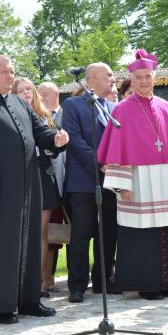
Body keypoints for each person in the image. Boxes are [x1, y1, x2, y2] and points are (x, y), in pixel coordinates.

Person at [0, 54, 68, 324]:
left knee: (30, 242)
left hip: (28, 186)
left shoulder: (20, 102)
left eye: (12, 72)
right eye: (5, 72)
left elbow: (39, 132)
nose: (11, 76)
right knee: (1, 246)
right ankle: (2, 304)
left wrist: (56, 138)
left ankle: (29, 300)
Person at [98, 49, 168, 300]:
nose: (143, 81)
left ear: (154, 77)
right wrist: (121, 185)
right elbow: (116, 150)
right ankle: (148, 285)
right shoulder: (122, 110)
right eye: (138, 77)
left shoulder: (166, 107)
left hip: (166, 178)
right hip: (139, 180)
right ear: (132, 79)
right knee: (142, 233)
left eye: (147, 76)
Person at [61, 62, 120, 303]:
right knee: (81, 233)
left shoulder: (113, 108)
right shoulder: (73, 104)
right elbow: (73, 140)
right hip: (82, 181)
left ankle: (103, 280)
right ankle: (77, 285)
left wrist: (113, 165)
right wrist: (99, 163)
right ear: (93, 78)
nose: (113, 78)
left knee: (108, 233)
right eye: (108, 75)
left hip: (110, 181)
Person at [13, 78, 60, 296]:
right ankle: (17, 282)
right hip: (19, 177)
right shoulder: (10, 117)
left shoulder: (44, 117)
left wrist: (58, 143)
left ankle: (38, 283)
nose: (26, 94)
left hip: (43, 175)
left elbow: (52, 147)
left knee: (40, 234)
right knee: (21, 232)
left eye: (29, 90)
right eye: (21, 91)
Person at [37, 81, 65, 291]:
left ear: (56, 95)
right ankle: (43, 278)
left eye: (44, 93)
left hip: (64, 179)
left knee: (56, 232)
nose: (41, 97)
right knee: (44, 231)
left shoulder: (64, 115)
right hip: (43, 177)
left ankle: (50, 276)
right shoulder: (35, 118)